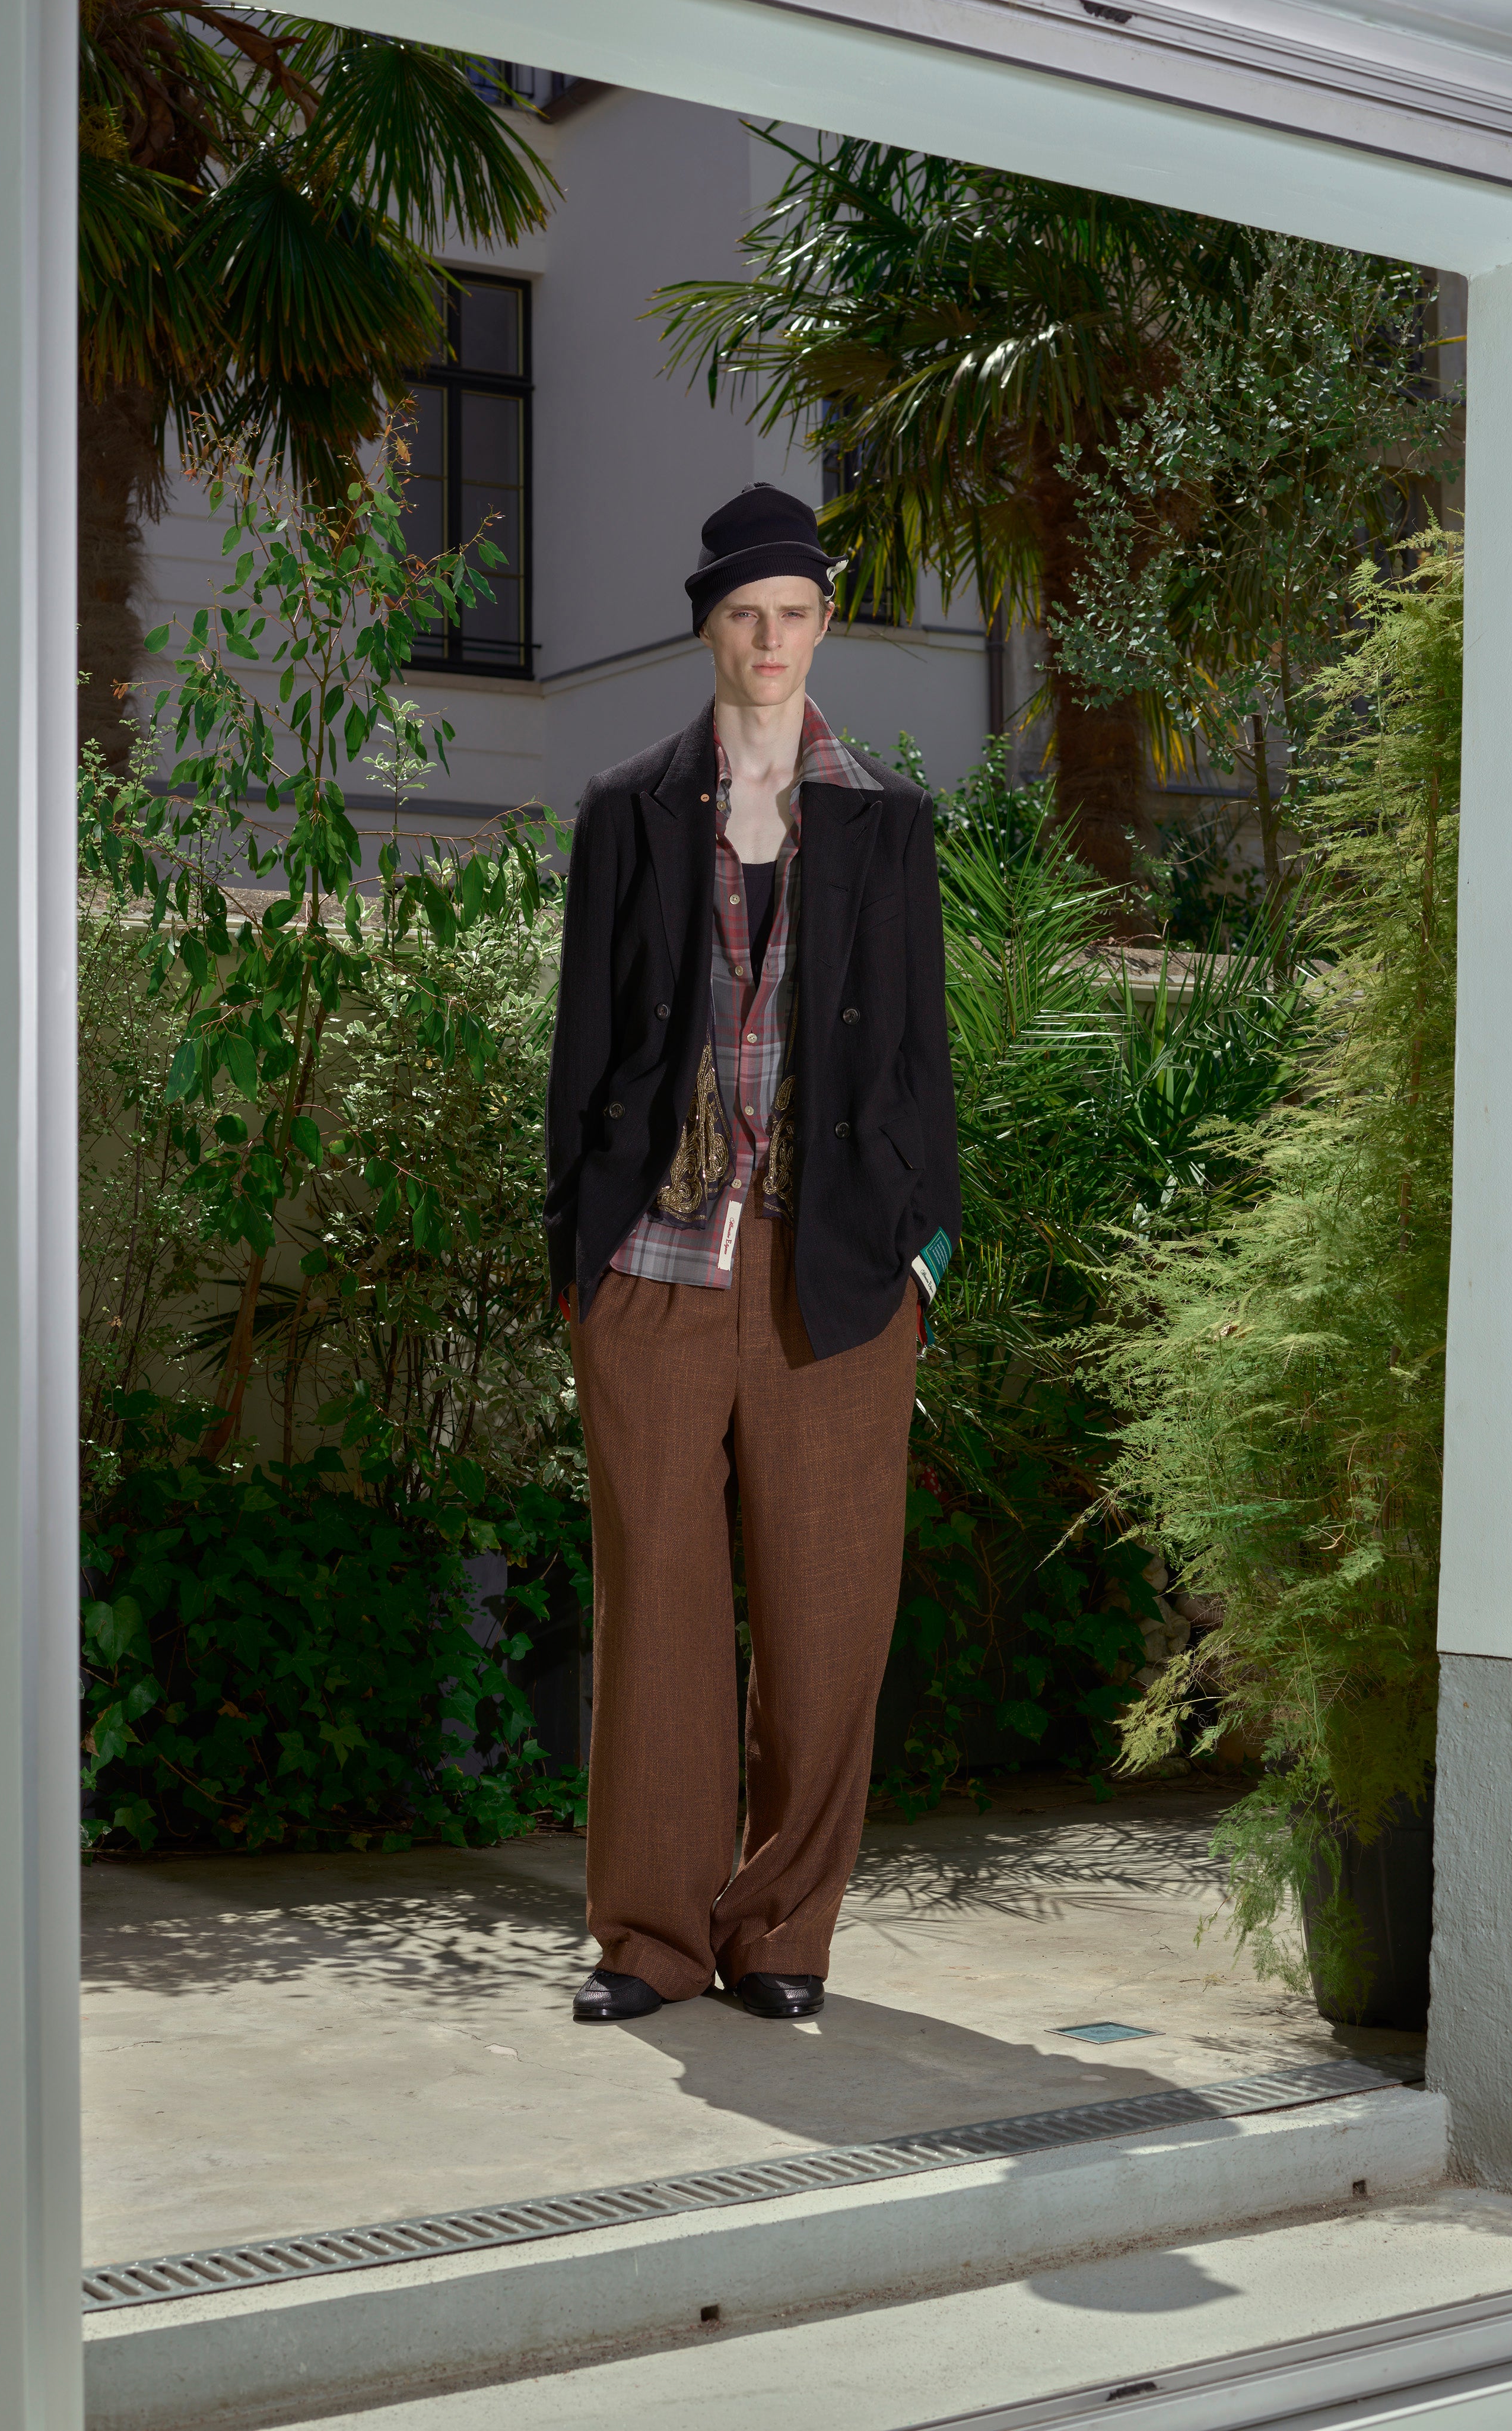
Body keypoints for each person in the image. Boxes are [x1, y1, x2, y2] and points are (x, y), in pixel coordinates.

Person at [544, 483, 960, 2024]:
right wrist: (576, 1260)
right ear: (708, 629)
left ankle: (782, 1931)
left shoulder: (887, 821)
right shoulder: (628, 809)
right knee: (656, 1605)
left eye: (792, 613)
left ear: (822, 624)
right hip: (652, 1267)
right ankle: (650, 1940)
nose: (769, 639)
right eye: (743, 614)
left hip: (834, 1272)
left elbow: (918, 1057)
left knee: (827, 1612)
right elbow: (583, 1046)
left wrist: (927, 1254)